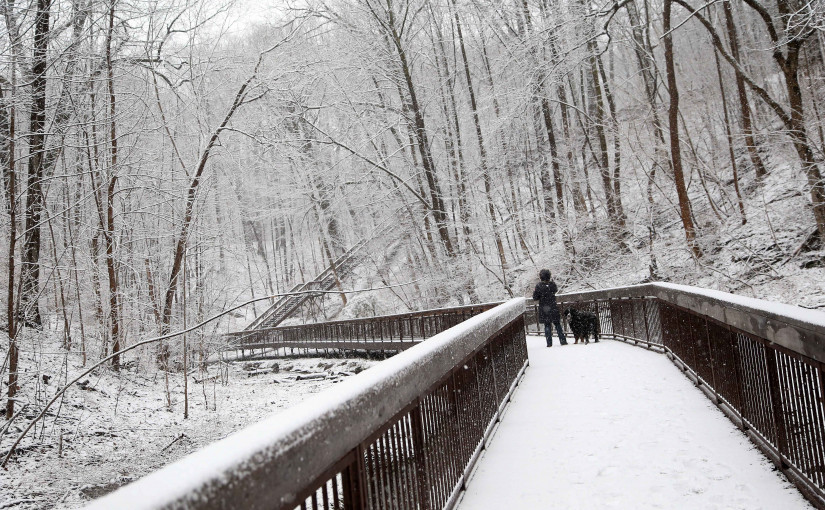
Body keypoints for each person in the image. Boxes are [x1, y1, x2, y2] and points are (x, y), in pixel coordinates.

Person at [532, 269, 567, 347]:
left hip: (544, 308)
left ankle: (549, 343)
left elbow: (535, 297)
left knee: (547, 325)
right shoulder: (553, 284)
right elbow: (555, 290)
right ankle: (563, 340)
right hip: (553, 306)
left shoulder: (538, 286)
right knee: (557, 324)